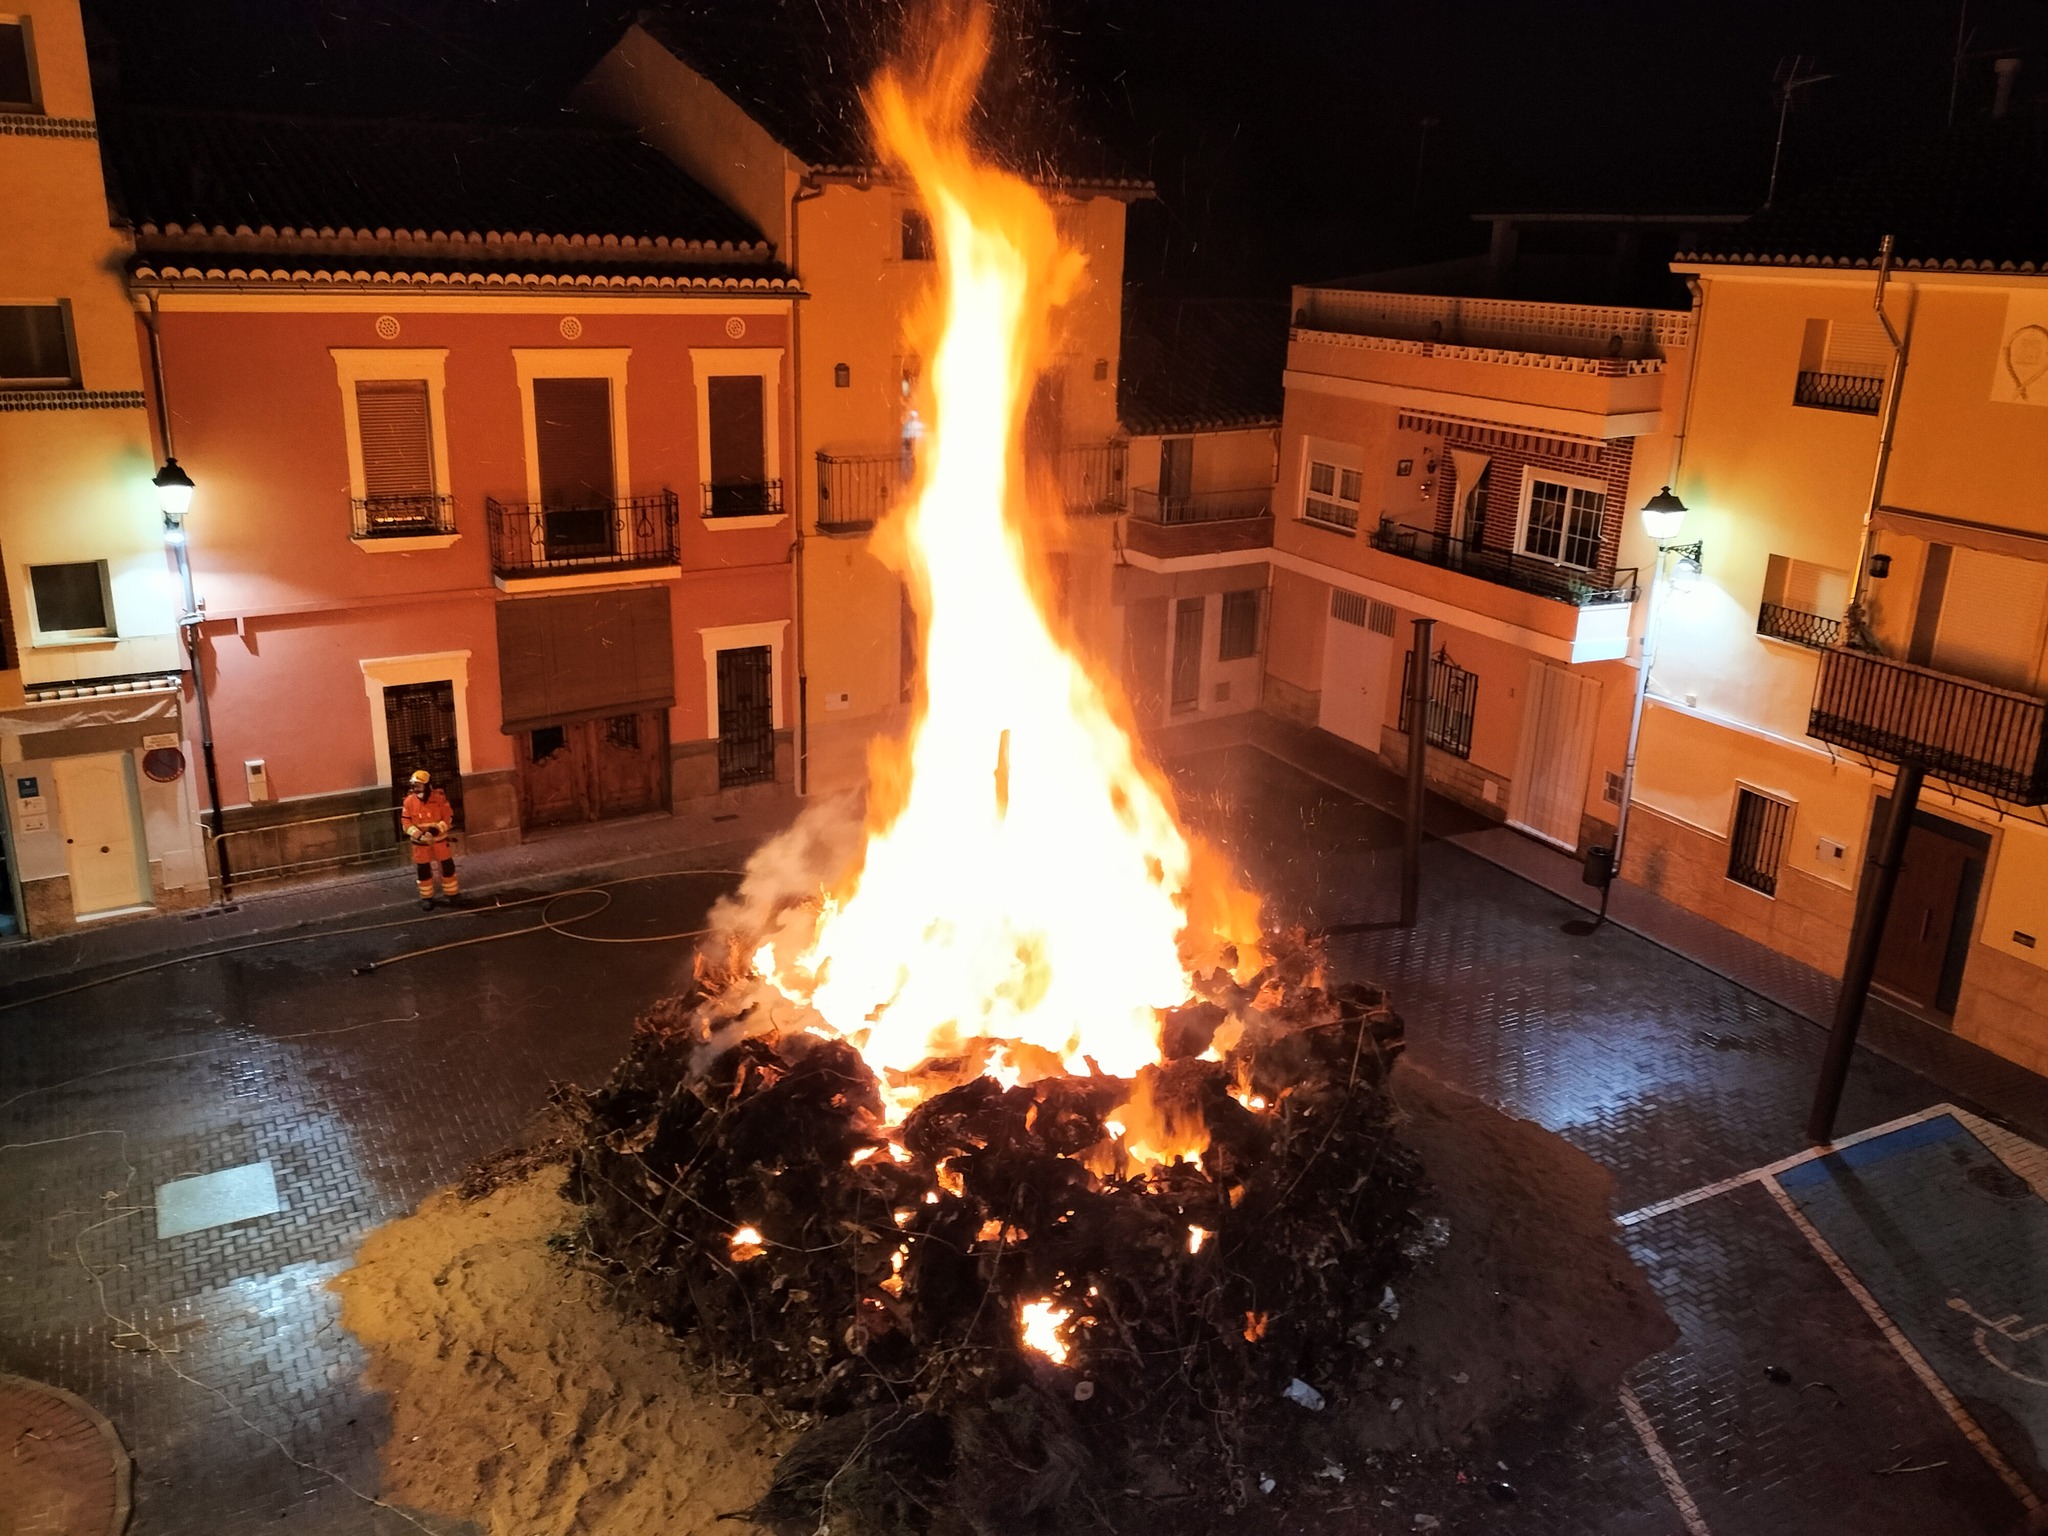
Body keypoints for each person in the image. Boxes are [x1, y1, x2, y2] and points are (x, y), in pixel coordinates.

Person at [401, 768, 458, 908]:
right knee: (424, 871)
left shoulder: (439, 799)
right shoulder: (409, 801)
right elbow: (406, 823)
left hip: (440, 842)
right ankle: (427, 898)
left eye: (418, 785)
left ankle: (452, 894)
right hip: (420, 845)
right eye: (413, 785)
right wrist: (420, 835)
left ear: (427, 786)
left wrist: (433, 831)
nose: (415, 789)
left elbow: (448, 818)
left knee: (447, 868)